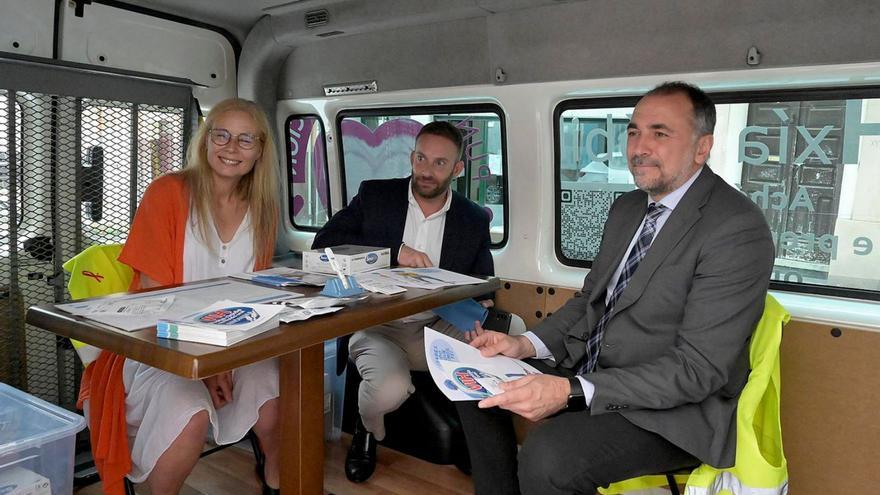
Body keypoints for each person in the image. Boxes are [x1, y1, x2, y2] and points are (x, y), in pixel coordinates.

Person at [455, 82, 776, 495]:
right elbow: (591, 300)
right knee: (476, 381)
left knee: (549, 456)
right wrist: (525, 345)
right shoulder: (627, 208)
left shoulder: (736, 228)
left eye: (660, 134)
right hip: (594, 368)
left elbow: (698, 371)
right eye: (633, 131)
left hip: (672, 408)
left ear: (702, 147)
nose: (639, 147)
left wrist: (571, 389)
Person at [312, 121, 494, 483]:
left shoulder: (472, 218)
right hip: (379, 327)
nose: (427, 170)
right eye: (421, 158)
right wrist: (394, 252)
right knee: (387, 391)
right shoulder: (376, 196)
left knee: (507, 338)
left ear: (457, 170)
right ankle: (368, 431)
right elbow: (325, 243)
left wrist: (482, 309)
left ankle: (474, 440)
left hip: (437, 326)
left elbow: (482, 280)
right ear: (412, 157)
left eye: (440, 163)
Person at [116, 98, 281, 494]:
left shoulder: (264, 209)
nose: (231, 148)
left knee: (276, 394)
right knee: (187, 415)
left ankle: (277, 481)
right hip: (159, 346)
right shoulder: (167, 193)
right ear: (205, 140)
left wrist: (225, 359)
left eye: (245, 139)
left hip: (233, 346)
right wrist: (206, 365)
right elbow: (154, 301)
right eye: (221, 135)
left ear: (260, 150)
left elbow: (252, 300)